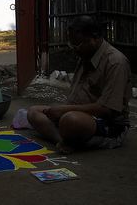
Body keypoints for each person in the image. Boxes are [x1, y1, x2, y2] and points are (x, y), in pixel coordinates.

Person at [27, 15, 131, 153]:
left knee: (70, 120)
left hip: (105, 123)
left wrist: (64, 111)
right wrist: (62, 110)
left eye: (78, 44)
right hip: (76, 113)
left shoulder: (115, 62)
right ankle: (62, 141)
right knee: (34, 112)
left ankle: (72, 137)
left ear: (94, 38)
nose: (74, 49)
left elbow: (107, 109)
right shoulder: (86, 55)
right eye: (72, 44)